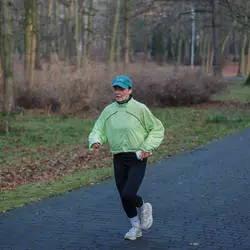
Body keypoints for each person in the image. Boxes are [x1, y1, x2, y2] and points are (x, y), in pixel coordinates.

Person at [88, 75, 164, 240]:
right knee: (123, 195)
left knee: (129, 194)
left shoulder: (140, 109)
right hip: (119, 157)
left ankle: (143, 206)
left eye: (121, 88)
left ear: (130, 90)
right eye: (116, 88)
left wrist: (147, 147)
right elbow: (98, 129)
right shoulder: (108, 111)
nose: (118, 92)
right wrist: (96, 140)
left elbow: (157, 129)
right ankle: (135, 228)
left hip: (137, 157)